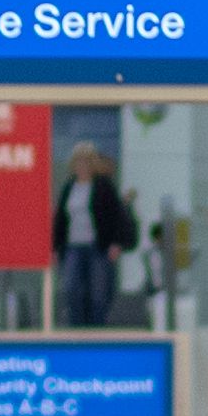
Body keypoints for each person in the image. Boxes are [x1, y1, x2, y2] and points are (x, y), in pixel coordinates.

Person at [54, 140, 137, 332]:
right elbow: (61, 219)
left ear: (92, 164)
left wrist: (116, 243)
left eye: (86, 161)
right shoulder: (69, 187)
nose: (81, 165)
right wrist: (56, 246)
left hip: (97, 246)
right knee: (71, 288)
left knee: (98, 293)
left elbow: (115, 216)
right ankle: (76, 330)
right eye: (78, 161)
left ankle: (97, 331)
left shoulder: (103, 186)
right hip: (73, 246)